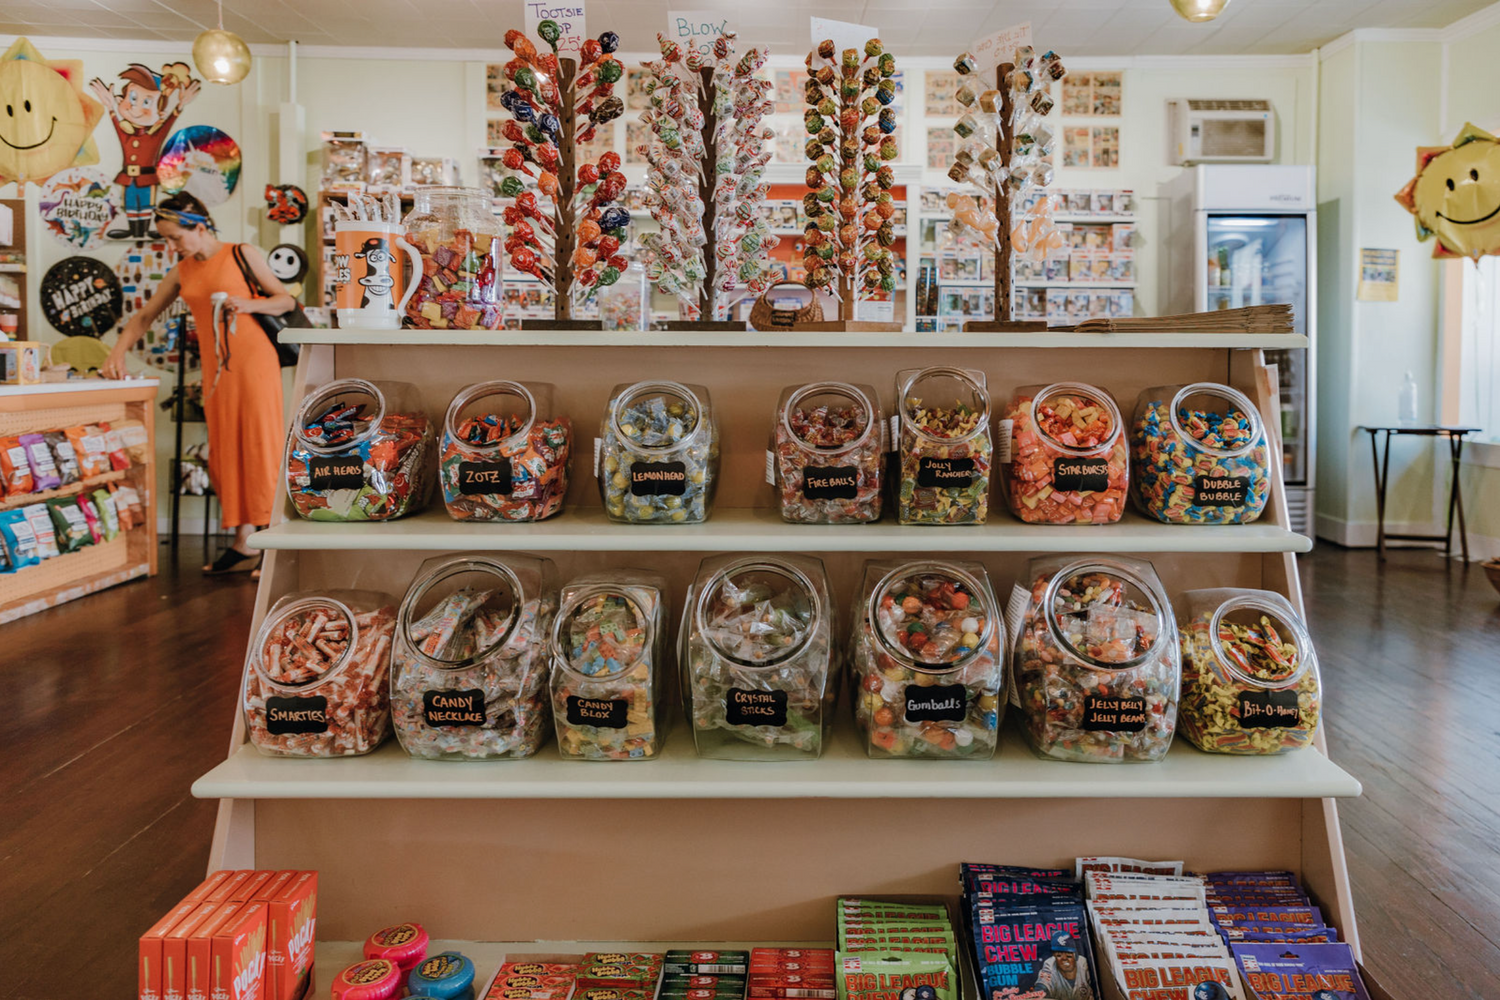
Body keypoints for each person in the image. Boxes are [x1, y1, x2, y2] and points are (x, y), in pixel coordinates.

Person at [102, 192, 292, 576]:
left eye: (174, 237)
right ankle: (244, 541)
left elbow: (284, 300)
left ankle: (274, 540)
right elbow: (145, 316)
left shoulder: (242, 253)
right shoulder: (183, 270)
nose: (171, 246)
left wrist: (249, 304)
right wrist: (116, 352)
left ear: (200, 227)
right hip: (217, 372)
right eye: (166, 239)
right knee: (225, 451)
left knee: (260, 445)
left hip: (255, 363)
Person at [1034, 931, 1092, 1000]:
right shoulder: (1050, 964)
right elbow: (1040, 988)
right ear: (1054, 956)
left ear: (1075, 956)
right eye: (1059, 955)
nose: (1064, 958)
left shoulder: (1084, 964)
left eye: (1068, 955)